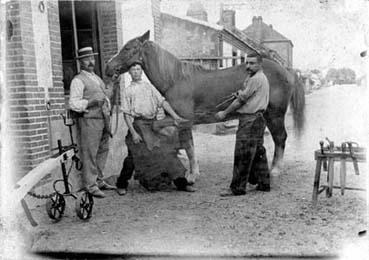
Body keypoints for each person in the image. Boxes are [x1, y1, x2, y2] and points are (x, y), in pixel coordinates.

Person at [116, 61, 196, 195]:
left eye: (138, 69)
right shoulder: (127, 91)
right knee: (134, 156)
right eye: (133, 70)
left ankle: (181, 183)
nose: (136, 72)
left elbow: (162, 102)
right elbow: (126, 114)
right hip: (138, 126)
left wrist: (175, 116)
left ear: (142, 71)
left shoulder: (149, 87)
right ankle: (121, 184)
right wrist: (134, 133)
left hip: (152, 125)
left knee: (167, 151)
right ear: (129, 73)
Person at [215, 53, 270, 196]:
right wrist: (240, 93)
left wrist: (224, 113)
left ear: (259, 64)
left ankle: (237, 188)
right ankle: (264, 183)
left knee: (242, 154)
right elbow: (248, 94)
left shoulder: (255, 79)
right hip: (259, 119)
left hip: (250, 120)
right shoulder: (260, 78)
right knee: (258, 152)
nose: (248, 66)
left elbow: (241, 101)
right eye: (247, 63)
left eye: (252, 63)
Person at [69, 46, 118, 198]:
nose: (90, 62)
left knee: (103, 150)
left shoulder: (97, 78)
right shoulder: (78, 80)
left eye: (92, 58)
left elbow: (106, 97)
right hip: (89, 121)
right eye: (86, 59)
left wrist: (113, 84)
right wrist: (90, 102)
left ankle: (99, 180)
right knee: (90, 153)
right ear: (80, 62)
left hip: (103, 119)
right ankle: (90, 185)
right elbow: (73, 103)